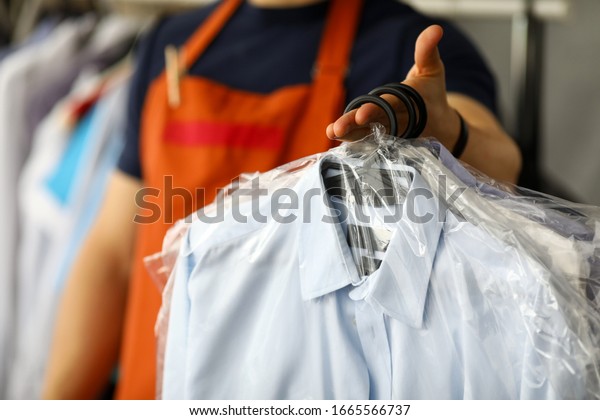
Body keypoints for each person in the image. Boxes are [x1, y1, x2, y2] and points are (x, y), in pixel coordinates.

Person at [42, 0, 521, 399]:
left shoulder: (407, 42)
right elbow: (112, 253)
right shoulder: (172, 42)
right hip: (158, 387)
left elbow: (501, 167)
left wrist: (443, 131)